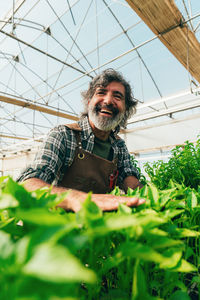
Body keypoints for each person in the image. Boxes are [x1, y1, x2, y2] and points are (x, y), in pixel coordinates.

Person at [18, 69, 144, 212]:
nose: (108, 101)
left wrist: (150, 198)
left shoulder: (118, 145)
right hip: (55, 224)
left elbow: (129, 179)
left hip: (95, 224)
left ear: (125, 108)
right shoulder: (64, 135)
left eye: (117, 96)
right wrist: (76, 199)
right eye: (101, 92)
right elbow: (28, 184)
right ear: (89, 101)